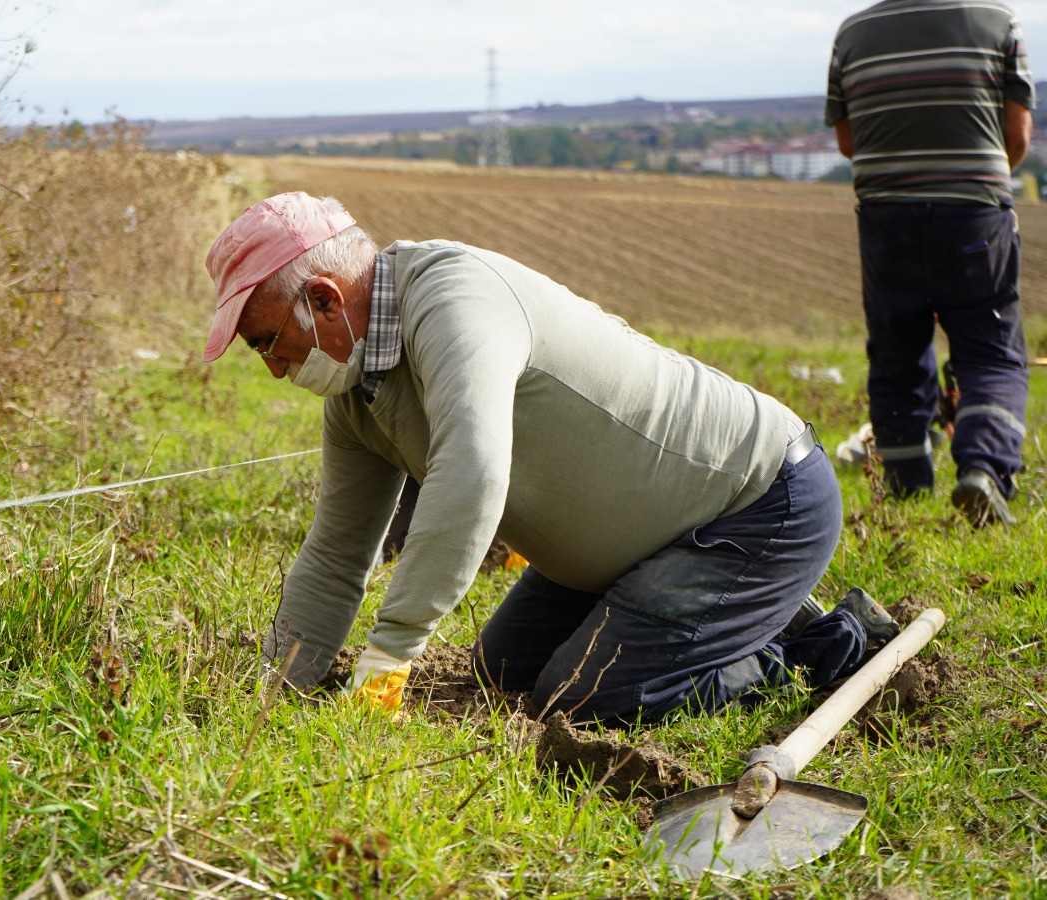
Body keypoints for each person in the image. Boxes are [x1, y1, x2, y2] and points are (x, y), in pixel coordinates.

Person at [202, 191, 899, 726]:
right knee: (502, 667)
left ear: (324, 298)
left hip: (754, 506)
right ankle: (732, 615)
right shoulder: (357, 399)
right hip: (632, 544)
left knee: (586, 696)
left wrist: (390, 655)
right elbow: (335, 553)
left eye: (266, 340)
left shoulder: (453, 298)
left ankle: (828, 645)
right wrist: (280, 686)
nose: (271, 367)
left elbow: (471, 475)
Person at [827, 0, 1035, 526]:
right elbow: (1018, 136)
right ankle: (984, 471)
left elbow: (849, 140)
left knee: (896, 350)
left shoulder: (853, 32)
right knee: (990, 352)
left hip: (885, 220)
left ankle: (903, 484)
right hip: (973, 221)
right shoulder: (997, 20)